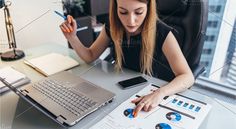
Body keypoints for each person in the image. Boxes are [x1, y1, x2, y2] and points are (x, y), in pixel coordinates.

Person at [60, 0, 194, 117]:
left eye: (139, 12)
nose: (130, 21)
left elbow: (187, 77)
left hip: (149, 93)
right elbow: (90, 56)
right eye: (123, 12)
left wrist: (160, 93)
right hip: (120, 90)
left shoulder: (162, 32)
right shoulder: (112, 26)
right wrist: (72, 37)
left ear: (149, 8)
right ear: (115, 8)